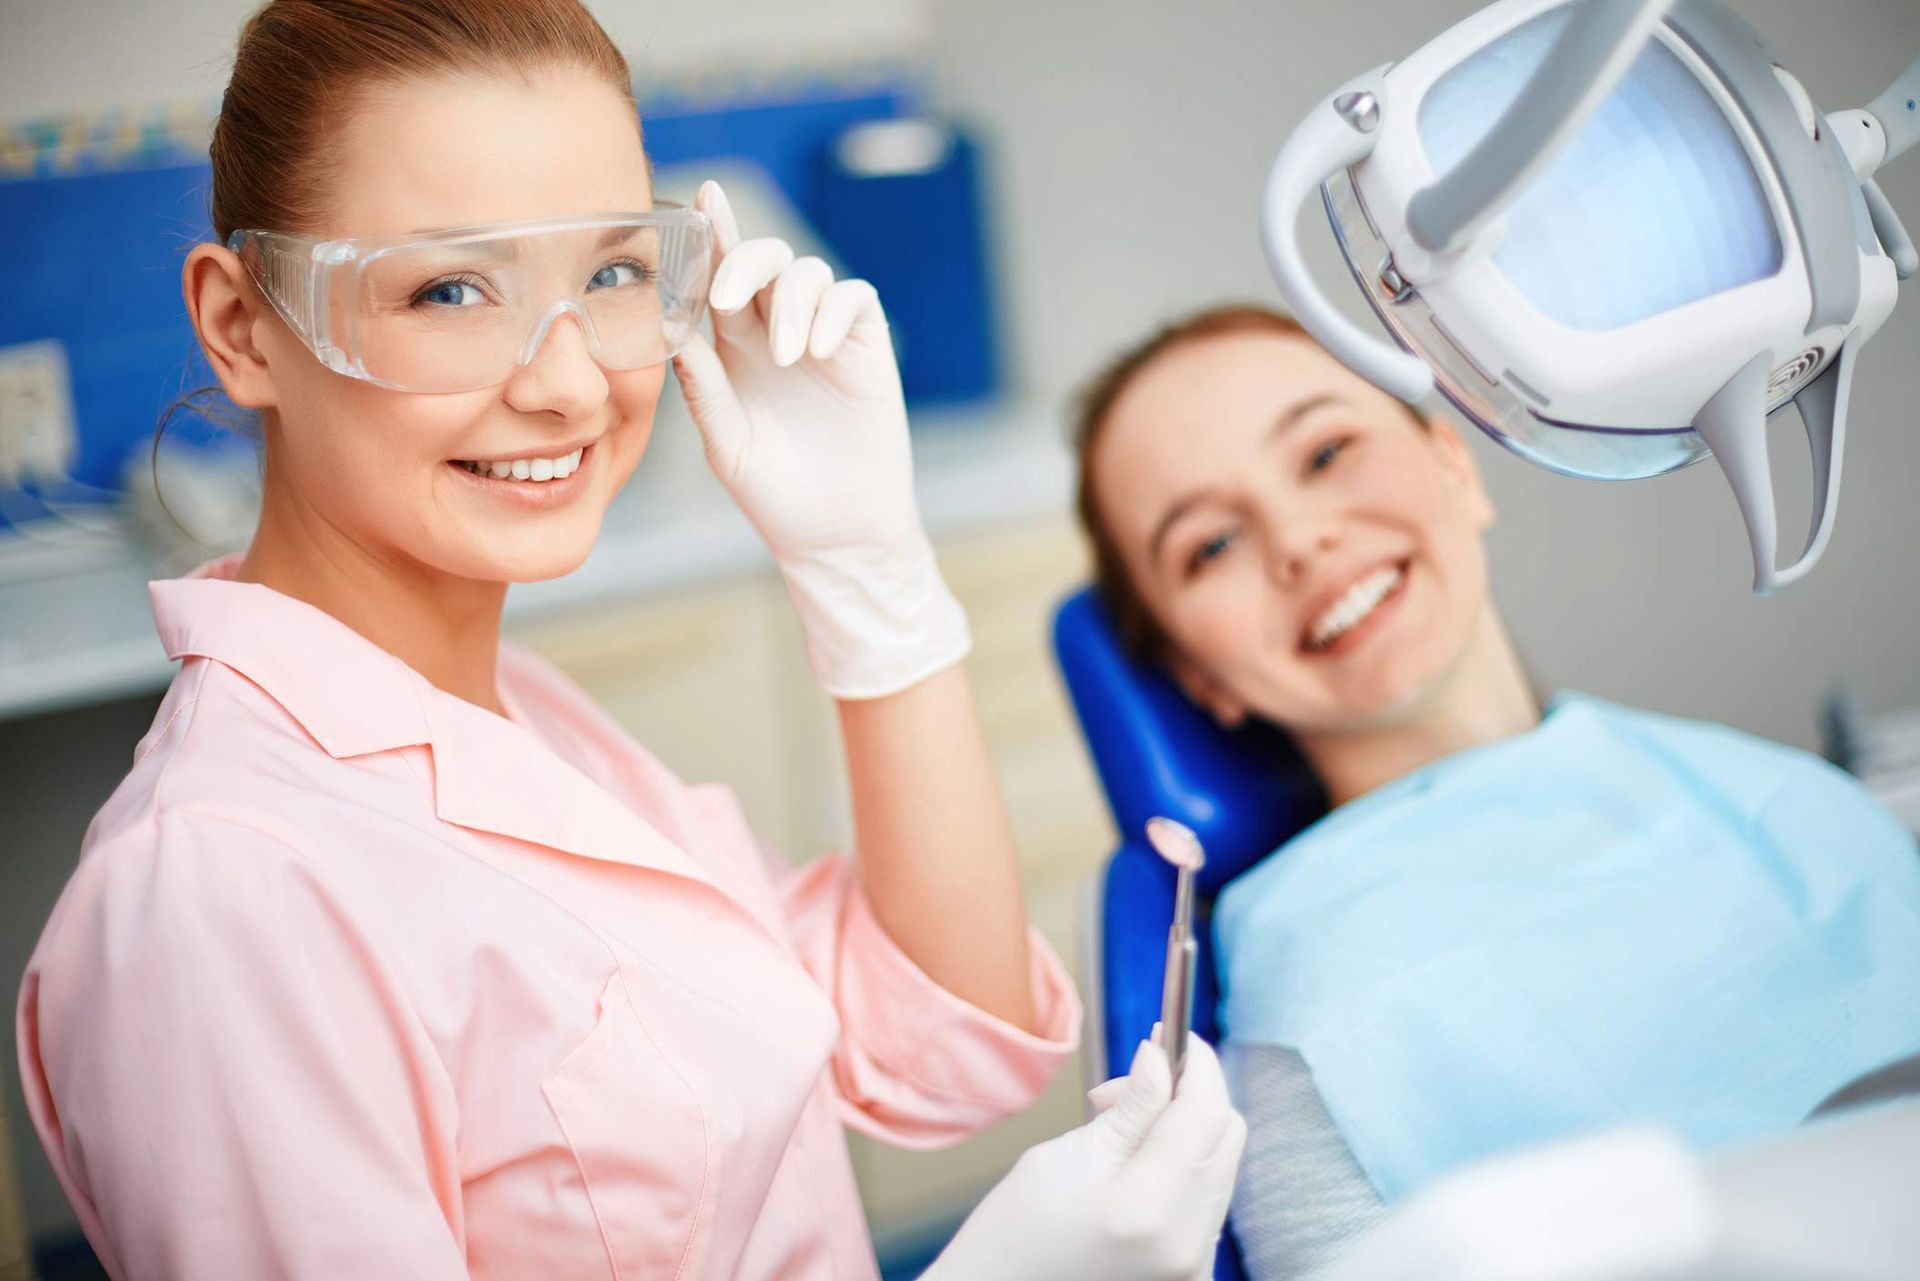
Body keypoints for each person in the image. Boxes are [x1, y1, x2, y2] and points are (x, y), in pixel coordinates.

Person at [16, 4, 1243, 1278]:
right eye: (450, 290)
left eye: (610, 275)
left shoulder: (521, 714)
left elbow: (945, 1045)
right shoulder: (216, 897)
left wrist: (868, 576)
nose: (568, 386)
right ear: (241, 327)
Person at [1071, 303, 1920, 1281]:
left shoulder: (1784, 796)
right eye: (1211, 545)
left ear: (1456, 465)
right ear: (1197, 678)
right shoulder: (1308, 1025)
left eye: (1326, 451)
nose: (1297, 539)